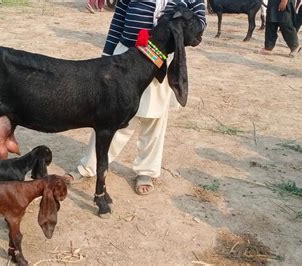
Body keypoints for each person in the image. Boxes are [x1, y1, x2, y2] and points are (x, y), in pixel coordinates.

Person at [66, 0, 206, 195]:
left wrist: (182, 12)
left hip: (161, 58)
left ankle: (146, 171)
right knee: (111, 116)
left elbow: (200, 23)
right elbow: (119, 20)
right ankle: (88, 167)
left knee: (155, 119)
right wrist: (106, 55)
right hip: (126, 56)